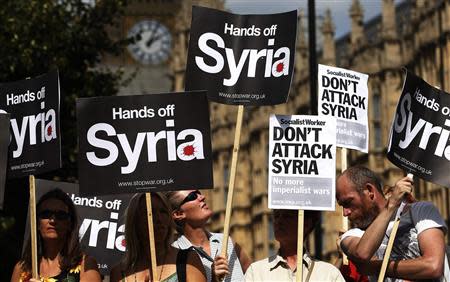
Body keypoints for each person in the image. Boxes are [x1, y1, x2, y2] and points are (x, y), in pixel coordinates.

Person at [337, 165, 449, 281]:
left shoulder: (421, 211)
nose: (345, 213)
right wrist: (390, 207)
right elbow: (363, 253)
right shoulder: (351, 236)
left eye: (347, 202)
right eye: (342, 206)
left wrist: (375, 267)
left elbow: (433, 266)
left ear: (370, 191)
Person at [110, 192, 206, 282]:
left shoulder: (188, 261)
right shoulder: (118, 273)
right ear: (135, 221)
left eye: (163, 212)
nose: (159, 219)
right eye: (149, 212)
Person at [10, 188, 101, 282]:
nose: (53, 220)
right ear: (37, 223)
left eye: (61, 215)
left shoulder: (86, 265)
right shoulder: (22, 268)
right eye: (46, 214)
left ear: (70, 224)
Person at [165, 190, 251, 282]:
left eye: (199, 193)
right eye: (192, 196)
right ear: (179, 214)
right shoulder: (174, 256)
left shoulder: (226, 240)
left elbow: (254, 274)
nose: (202, 197)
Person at [245, 209, 345, 281]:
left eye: (286, 216)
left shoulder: (329, 275)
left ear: (306, 224)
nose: (278, 221)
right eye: (276, 216)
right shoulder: (256, 272)